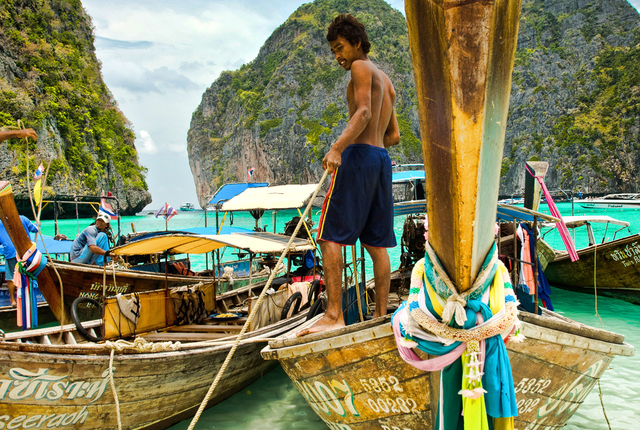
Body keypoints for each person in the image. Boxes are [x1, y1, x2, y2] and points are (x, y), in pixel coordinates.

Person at [297, 14, 400, 336]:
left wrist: (340, 148)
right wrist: (371, 150)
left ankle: (333, 315)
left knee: (328, 237)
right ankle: (380, 316)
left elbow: (364, 111)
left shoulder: (360, 68)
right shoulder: (387, 80)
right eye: (333, 51)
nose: (338, 56)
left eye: (340, 47)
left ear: (357, 43)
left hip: (358, 158)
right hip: (381, 161)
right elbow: (393, 135)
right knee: (376, 244)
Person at [0, 216, 40, 307]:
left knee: (11, 276)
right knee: (25, 275)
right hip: (25, 252)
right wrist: (38, 224)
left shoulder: (1, 222)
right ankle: (25, 299)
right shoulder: (23, 218)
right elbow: (36, 229)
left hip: (11, 251)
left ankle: (13, 300)